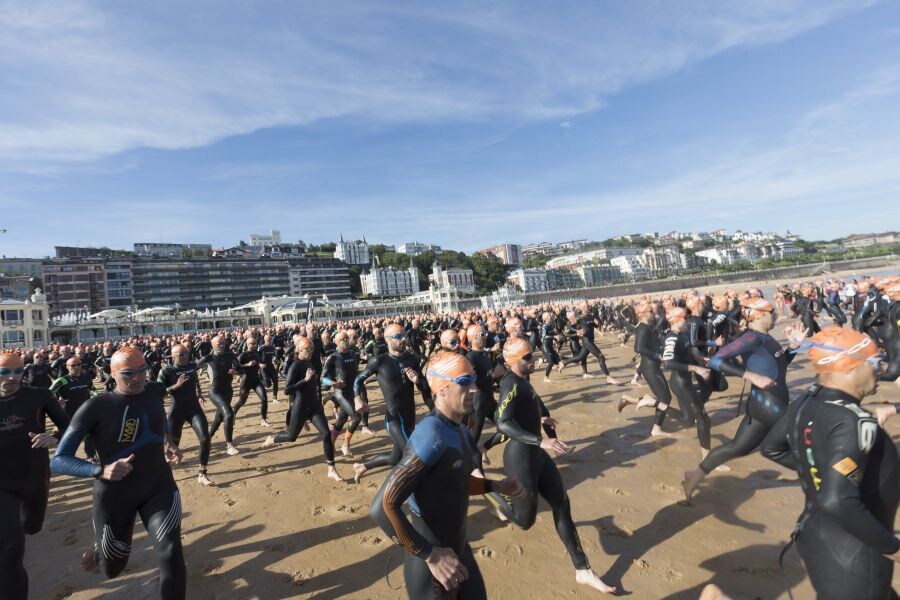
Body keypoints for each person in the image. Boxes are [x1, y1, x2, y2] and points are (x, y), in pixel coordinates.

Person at [369, 351, 524, 598]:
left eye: (473, 379)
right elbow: (383, 507)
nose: (474, 388)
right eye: (464, 382)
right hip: (431, 567)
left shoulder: (458, 427)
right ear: (441, 389)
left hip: (460, 551)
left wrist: (496, 485)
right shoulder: (432, 435)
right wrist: (429, 555)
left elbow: (454, 481)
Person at [761, 327, 899, 599]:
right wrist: (894, 549)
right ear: (848, 366)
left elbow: (771, 448)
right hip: (856, 554)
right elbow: (836, 500)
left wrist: (824, 474)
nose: (879, 371)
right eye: (873, 363)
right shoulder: (854, 421)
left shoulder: (804, 402)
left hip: (818, 537)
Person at [51, 347, 186, 600]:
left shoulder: (154, 391)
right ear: (113, 374)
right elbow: (58, 460)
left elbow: (159, 417)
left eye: (142, 371)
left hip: (158, 485)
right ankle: (99, 549)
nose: (137, 379)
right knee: (112, 569)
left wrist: (168, 441)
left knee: (170, 550)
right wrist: (100, 470)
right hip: (114, 495)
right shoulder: (96, 407)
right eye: (128, 374)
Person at [488, 339, 616, 594]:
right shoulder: (510, 385)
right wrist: (541, 441)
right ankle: (489, 491)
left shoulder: (524, 381)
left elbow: (529, 410)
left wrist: (543, 420)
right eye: (527, 357)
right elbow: (502, 422)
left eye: (532, 355)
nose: (533, 360)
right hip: (520, 457)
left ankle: (583, 570)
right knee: (525, 522)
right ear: (513, 361)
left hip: (537, 455)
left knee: (562, 504)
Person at [682, 300, 806, 500]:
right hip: (769, 404)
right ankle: (827, 482)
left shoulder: (765, 338)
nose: (775, 315)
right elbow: (715, 360)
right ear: (758, 315)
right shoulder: (751, 338)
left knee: (738, 447)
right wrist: (750, 376)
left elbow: (778, 367)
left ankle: (694, 477)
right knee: (803, 442)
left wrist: (793, 347)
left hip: (762, 404)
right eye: (771, 311)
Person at [0, 351, 70, 600]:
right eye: (5, 372)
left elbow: (68, 426)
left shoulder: (38, 396)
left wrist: (53, 438)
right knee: (11, 548)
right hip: (2, 484)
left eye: (18, 371)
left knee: (31, 527)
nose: (13, 377)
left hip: (34, 476)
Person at [352, 323, 433, 483]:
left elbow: (425, 390)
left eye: (404, 336)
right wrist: (357, 398)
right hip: (393, 419)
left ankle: (363, 466)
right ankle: (401, 497)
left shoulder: (412, 359)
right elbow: (359, 379)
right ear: (388, 340)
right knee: (413, 456)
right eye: (398, 337)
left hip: (410, 416)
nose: (403, 339)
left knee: (394, 458)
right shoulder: (379, 361)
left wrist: (418, 381)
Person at [262, 337, 342, 482]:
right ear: (299, 350)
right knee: (291, 437)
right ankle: (272, 438)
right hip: (300, 406)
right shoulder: (295, 366)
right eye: (307, 349)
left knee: (326, 434)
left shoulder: (309, 362)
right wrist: (304, 380)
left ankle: (331, 468)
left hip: (314, 406)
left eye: (312, 348)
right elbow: (287, 390)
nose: (310, 351)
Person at [158, 344, 214, 486]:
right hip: (176, 411)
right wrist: (174, 387)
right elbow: (158, 391)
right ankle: (165, 475)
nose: (185, 357)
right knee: (173, 446)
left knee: (205, 438)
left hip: (194, 409)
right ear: (173, 356)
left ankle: (202, 473)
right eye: (181, 355)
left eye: (187, 354)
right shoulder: (166, 370)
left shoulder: (191, 366)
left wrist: (199, 393)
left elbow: (195, 381)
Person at [617, 302, 674, 436]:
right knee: (664, 398)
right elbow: (638, 348)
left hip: (652, 366)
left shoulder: (648, 326)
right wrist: (658, 355)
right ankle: (656, 429)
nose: (654, 314)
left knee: (666, 397)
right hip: (649, 368)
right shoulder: (642, 328)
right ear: (642, 314)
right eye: (651, 312)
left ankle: (630, 400)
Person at [199, 335, 244, 456]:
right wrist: (198, 392)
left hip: (228, 391)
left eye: (223, 342)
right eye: (219, 343)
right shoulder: (208, 358)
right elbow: (192, 371)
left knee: (219, 418)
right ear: (212, 344)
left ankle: (207, 440)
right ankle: (229, 445)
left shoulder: (230, 355)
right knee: (229, 414)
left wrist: (236, 372)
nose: (222, 345)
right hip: (215, 392)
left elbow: (241, 370)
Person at [322, 331, 362, 457]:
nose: (346, 341)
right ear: (336, 342)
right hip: (341, 392)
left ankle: (331, 444)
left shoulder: (352, 353)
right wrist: (333, 383)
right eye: (342, 339)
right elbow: (322, 378)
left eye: (346, 338)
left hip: (352, 390)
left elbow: (355, 372)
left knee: (342, 420)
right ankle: (345, 444)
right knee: (356, 417)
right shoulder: (333, 357)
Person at [49, 356, 97, 459]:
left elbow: (92, 389)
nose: (76, 367)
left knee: (90, 434)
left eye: (79, 364)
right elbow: (48, 394)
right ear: (67, 367)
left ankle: (91, 456)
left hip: (85, 411)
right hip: (69, 414)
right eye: (73, 365)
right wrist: (56, 402)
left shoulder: (86, 377)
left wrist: (95, 397)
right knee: (69, 437)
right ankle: (64, 456)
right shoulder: (62, 380)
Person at [235, 337, 271, 428]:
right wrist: (247, 364)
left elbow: (258, 362)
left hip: (256, 380)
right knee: (242, 401)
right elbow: (236, 366)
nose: (254, 345)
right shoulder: (243, 355)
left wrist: (261, 365)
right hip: (246, 381)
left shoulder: (257, 353)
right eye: (252, 343)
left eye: (255, 343)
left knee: (264, 398)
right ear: (247, 344)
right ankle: (233, 415)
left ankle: (263, 420)